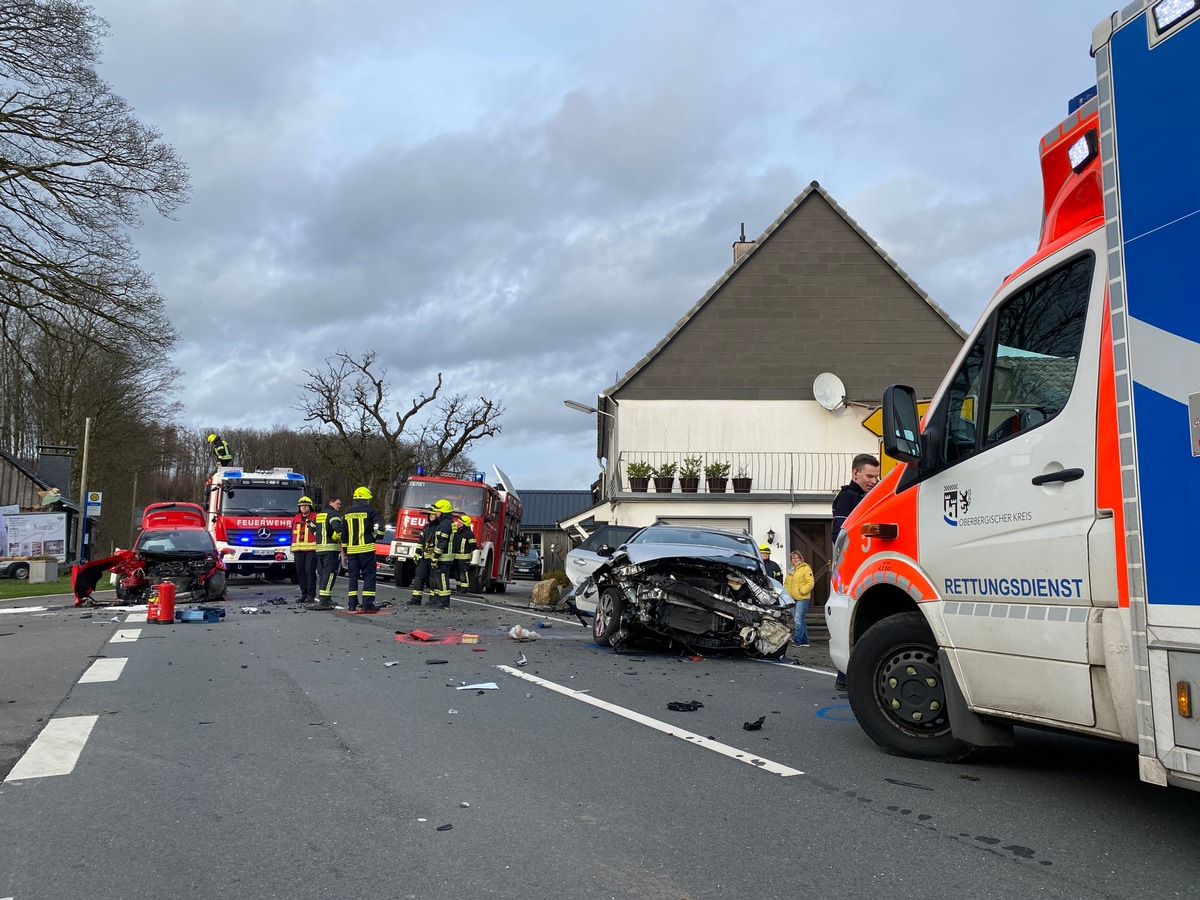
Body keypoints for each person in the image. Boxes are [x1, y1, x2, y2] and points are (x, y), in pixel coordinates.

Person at [831, 453, 881, 688]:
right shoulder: (847, 498)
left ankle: (850, 675)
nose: (873, 480)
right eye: (869, 475)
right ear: (855, 473)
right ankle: (845, 676)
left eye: (876, 476)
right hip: (854, 568)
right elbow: (838, 535)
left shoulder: (870, 496)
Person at [343, 486, 386, 612]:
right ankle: (367, 603)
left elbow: (344, 533)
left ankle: (352, 604)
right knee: (369, 576)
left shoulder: (347, 513)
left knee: (353, 577)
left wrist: (345, 550)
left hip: (352, 552)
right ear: (366, 499)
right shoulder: (371, 511)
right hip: (366, 550)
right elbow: (382, 525)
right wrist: (377, 536)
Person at [408, 499, 455, 607]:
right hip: (426, 557)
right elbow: (421, 542)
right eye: (431, 514)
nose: (433, 515)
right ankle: (416, 598)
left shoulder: (441, 526)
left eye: (435, 513)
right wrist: (417, 553)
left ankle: (434, 599)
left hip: (436, 557)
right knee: (420, 576)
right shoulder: (427, 527)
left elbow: (441, 543)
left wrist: (435, 557)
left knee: (434, 579)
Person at [312, 497, 343, 609]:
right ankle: (324, 600)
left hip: (319, 549)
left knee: (322, 574)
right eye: (337, 503)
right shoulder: (333, 514)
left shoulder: (320, 515)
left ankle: (325, 598)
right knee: (330, 574)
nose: (339, 506)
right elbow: (338, 528)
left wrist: (319, 535)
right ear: (331, 503)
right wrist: (340, 539)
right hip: (331, 549)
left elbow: (311, 527)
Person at [784, 549, 815, 647]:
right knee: (799, 619)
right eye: (793, 558)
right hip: (791, 598)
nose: (795, 560)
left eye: (797, 558)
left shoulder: (806, 568)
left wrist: (802, 591)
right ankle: (805, 641)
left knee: (798, 619)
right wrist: (785, 594)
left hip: (802, 598)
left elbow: (810, 583)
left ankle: (797, 640)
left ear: (801, 558)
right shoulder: (791, 570)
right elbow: (786, 583)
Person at [291, 496, 318, 604]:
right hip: (298, 550)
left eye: (305, 506)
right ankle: (304, 594)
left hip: (311, 549)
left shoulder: (315, 517)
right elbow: (291, 532)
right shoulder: (296, 517)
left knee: (310, 572)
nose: (303, 508)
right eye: (301, 506)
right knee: (300, 572)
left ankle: (311, 595)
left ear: (310, 506)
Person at [452, 514, 477, 592]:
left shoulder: (469, 534)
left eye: (460, 523)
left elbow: (473, 545)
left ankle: (464, 588)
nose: (458, 524)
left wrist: (468, 552)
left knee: (463, 573)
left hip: (464, 558)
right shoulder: (457, 533)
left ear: (464, 524)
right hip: (456, 557)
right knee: (456, 573)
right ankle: (458, 587)